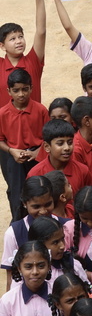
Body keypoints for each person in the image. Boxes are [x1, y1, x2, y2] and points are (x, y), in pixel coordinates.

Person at [0, 69, 48, 220]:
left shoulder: (40, 110)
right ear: (9, 91)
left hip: (37, 156)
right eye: (16, 90)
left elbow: (48, 137)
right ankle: (19, 225)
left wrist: (37, 153)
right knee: (17, 194)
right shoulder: (3, 113)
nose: (21, 94)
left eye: (25, 89)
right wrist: (11, 150)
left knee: (40, 191)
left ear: (31, 89)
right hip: (14, 157)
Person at [0, 0, 46, 105]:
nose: (19, 41)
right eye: (12, 39)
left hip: (34, 123)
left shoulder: (33, 61)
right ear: (2, 46)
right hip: (4, 124)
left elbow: (41, 31)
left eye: (21, 37)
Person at [28, 119, 92, 195]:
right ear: (47, 147)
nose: (67, 148)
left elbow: (89, 200)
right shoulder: (35, 173)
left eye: (70, 143)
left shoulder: (83, 171)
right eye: (60, 143)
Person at [27, 216, 88, 288]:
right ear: (40, 245)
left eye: (62, 239)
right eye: (55, 242)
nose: (62, 246)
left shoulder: (73, 265)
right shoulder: (29, 272)